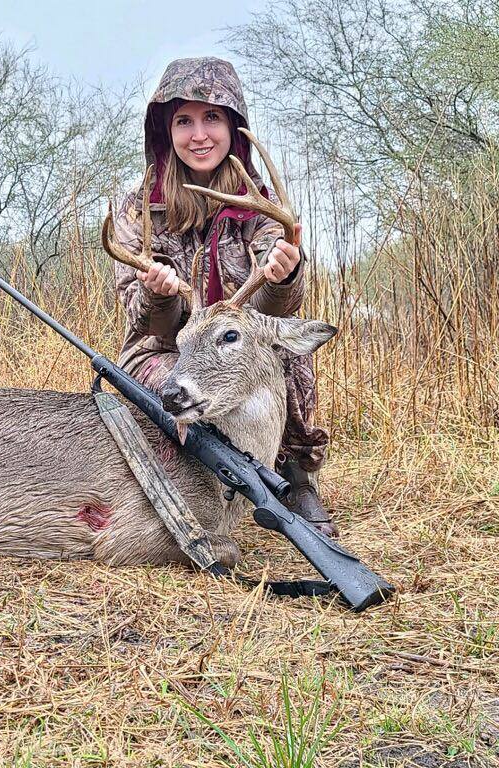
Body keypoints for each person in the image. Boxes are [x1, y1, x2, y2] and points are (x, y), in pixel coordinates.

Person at [111, 56, 335, 535]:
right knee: (173, 383)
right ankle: (188, 477)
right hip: (167, 348)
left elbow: (272, 312)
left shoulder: (261, 205)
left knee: (281, 352)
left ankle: (295, 476)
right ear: (164, 130)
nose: (199, 135)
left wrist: (279, 278)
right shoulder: (140, 208)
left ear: (234, 125)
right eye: (184, 121)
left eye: (212, 117)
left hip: (235, 339)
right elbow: (138, 318)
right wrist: (162, 298)